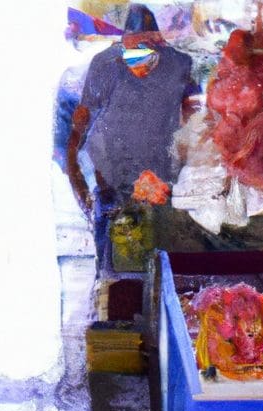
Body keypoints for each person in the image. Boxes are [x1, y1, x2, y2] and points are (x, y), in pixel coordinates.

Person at [65, 4, 192, 265]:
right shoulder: (105, 64)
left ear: (159, 45)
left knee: (156, 262)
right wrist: (77, 176)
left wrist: (187, 167)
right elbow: (82, 121)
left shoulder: (180, 64)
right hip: (111, 184)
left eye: (146, 50)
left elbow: (192, 117)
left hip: (159, 186)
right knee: (114, 267)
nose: (138, 60)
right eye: (132, 51)